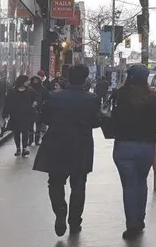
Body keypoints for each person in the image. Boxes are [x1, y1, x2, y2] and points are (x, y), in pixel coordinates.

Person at [32, 65, 101, 237]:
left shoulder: (54, 97)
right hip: (81, 145)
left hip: (56, 143)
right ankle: (75, 221)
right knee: (79, 184)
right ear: (85, 79)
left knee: (55, 181)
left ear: (68, 78)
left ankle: (60, 209)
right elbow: (96, 122)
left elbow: (44, 118)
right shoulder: (92, 99)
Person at [111, 64, 156, 240]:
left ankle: (132, 224)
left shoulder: (120, 95)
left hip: (123, 146)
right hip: (146, 147)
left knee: (128, 185)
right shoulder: (155, 97)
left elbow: (111, 118)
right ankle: (139, 220)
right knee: (141, 182)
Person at [2, 75, 38, 157]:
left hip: (26, 114)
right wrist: (5, 113)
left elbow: (37, 96)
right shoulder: (12, 91)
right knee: (16, 132)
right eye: (27, 81)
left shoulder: (30, 90)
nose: (28, 82)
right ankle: (18, 148)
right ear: (22, 81)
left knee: (25, 131)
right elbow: (8, 102)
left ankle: (24, 148)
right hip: (15, 115)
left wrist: (35, 102)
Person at [29, 76, 51, 146]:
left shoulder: (43, 89)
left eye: (36, 80)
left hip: (39, 109)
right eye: (34, 80)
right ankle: (30, 140)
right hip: (30, 109)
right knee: (30, 126)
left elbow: (47, 98)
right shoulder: (29, 89)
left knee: (38, 126)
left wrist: (43, 104)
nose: (35, 82)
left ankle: (36, 140)